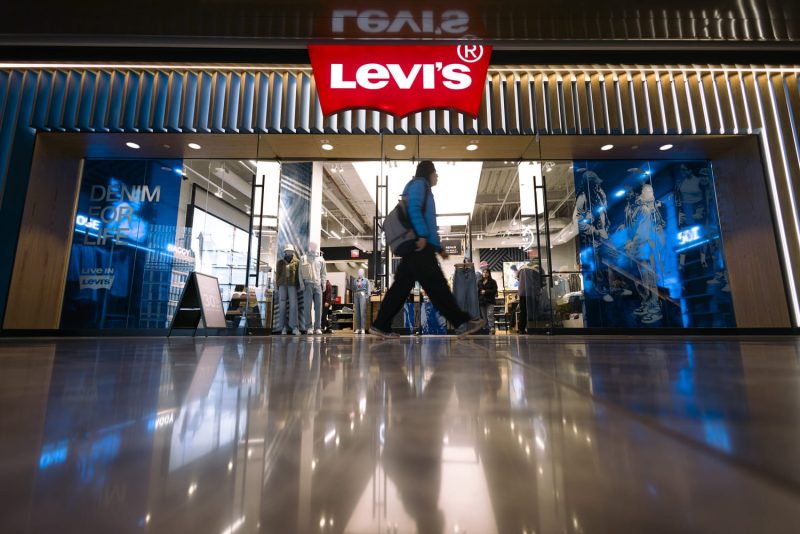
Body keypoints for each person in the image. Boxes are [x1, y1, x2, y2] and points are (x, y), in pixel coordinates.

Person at [369, 161, 485, 338]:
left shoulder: (422, 188)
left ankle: (381, 325)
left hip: (418, 245)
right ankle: (461, 323)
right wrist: (423, 235)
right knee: (437, 286)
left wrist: (438, 247)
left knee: (401, 287)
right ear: (428, 173)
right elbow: (414, 209)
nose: (437, 176)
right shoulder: (419, 185)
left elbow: (429, 221)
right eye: (435, 172)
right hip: (418, 245)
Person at [299, 241, 327, 335]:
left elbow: (323, 273)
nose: (313, 247)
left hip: (318, 285)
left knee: (318, 307)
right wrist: (301, 283)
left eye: (315, 246)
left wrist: (324, 284)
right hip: (307, 284)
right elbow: (300, 272)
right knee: (307, 307)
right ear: (309, 246)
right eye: (312, 245)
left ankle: (317, 327)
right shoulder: (303, 258)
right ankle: (309, 327)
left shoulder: (321, 259)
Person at [275, 244, 302, 335]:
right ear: (285, 252)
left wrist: (299, 285)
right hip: (282, 285)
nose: (289, 252)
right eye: (287, 251)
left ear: (293, 252)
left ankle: (294, 327)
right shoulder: (280, 262)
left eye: (290, 251)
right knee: (282, 306)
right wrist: (277, 286)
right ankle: (282, 327)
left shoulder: (297, 262)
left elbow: (298, 275)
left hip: (292, 285)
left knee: (293, 305)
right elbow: (277, 274)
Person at [478, 262, 498, 334]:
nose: (485, 274)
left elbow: (494, 290)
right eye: (483, 272)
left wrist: (486, 291)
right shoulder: (479, 282)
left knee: (490, 314)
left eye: (486, 272)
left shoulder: (493, 281)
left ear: (489, 273)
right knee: (484, 316)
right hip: (482, 301)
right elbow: (477, 291)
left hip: (490, 301)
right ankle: (486, 329)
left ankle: (492, 327)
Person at [352, 268, 370, 334]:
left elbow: (368, 289)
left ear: (363, 273)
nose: (360, 273)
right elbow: (353, 289)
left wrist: (366, 297)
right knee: (357, 312)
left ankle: (362, 328)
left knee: (362, 312)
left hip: (363, 294)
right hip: (356, 294)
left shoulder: (366, 280)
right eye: (359, 272)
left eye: (361, 272)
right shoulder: (355, 280)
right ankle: (358, 328)